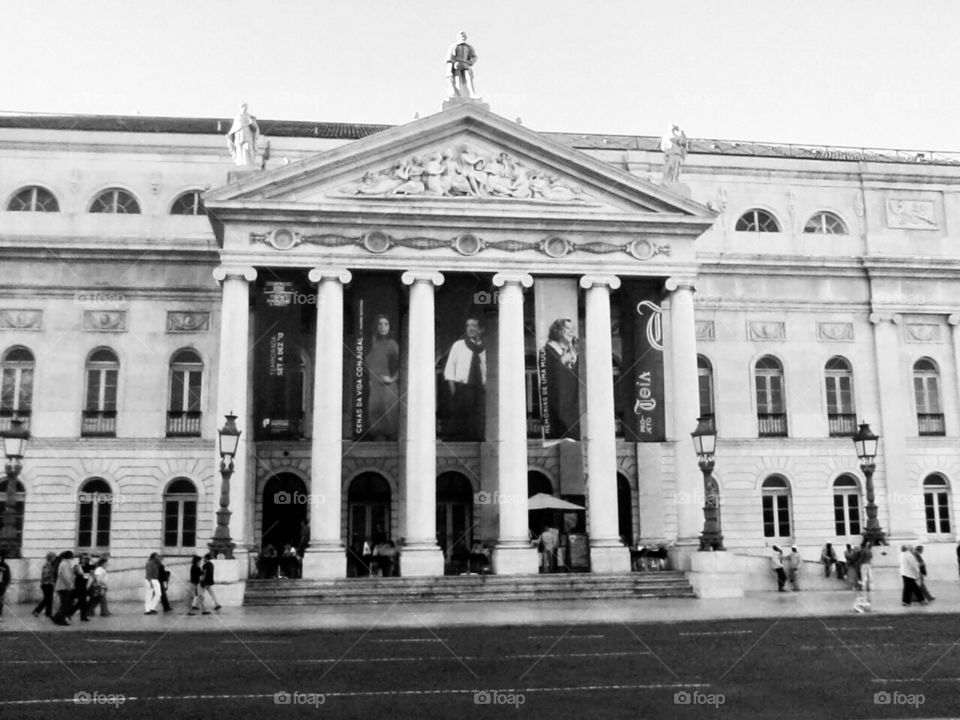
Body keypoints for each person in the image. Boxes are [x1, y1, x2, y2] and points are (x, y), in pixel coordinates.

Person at [442, 317, 486, 440]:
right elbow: (450, 370)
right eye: (468, 326)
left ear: (480, 329)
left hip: (480, 389)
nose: (471, 328)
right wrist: (454, 391)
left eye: (474, 325)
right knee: (461, 421)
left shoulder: (485, 348)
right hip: (462, 389)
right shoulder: (458, 346)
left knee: (478, 420)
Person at [540, 318, 580, 440]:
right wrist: (561, 362)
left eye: (573, 329)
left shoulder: (572, 352)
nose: (571, 332)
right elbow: (547, 378)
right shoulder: (547, 351)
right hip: (557, 415)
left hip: (574, 412)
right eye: (567, 328)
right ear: (557, 331)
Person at [364, 315, 400, 440]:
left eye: (386, 324)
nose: (383, 327)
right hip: (374, 388)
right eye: (380, 324)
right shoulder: (373, 344)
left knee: (388, 422)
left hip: (387, 389)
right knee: (375, 421)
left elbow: (402, 364)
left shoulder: (391, 344)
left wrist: (392, 379)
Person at [226, 102, 260, 167]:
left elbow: (255, 128)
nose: (244, 109)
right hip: (239, 135)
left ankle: (249, 163)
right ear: (240, 108)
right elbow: (234, 128)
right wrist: (230, 135)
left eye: (245, 107)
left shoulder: (250, 117)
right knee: (239, 149)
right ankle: (240, 163)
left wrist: (252, 123)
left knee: (249, 148)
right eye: (242, 107)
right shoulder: (237, 117)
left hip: (248, 135)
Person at [446, 31, 477, 99]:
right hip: (457, 66)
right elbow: (449, 59)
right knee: (458, 82)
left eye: (464, 36)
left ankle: (471, 94)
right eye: (461, 36)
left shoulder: (469, 47)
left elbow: (474, 57)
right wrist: (449, 72)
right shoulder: (454, 46)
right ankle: (458, 95)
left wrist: (469, 61)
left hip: (466, 66)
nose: (463, 37)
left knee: (469, 79)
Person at [52, 551, 76, 625]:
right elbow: (66, 576)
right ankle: (60, 620)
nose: (73, 557)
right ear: (69, 557)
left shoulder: (65, 563)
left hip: (63, 586)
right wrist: (69, 585)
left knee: (65, 604)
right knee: (65, 604)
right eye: (72, 556)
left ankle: (57, 618)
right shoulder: (65, 564)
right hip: (64, 587)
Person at [33, 551, 57, 618]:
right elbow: (45, 576)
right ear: (51, 558)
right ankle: (37, 611)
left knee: (49, 599)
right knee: (47, 599)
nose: (54, 558)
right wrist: (52, 577)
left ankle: (48, 613)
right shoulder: (47, 565)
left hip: (48, 584)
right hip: (47, 584)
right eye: (54, 557)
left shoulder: (50, 565)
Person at [73, 553, 92, 622]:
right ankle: (72, 613)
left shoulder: (87, 566)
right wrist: (85, 574)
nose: (85, 560)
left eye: (86, 558)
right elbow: (81, 576)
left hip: (84, 586)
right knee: (82, 602)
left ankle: (83, 617)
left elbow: (93, 566)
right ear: (81, 559)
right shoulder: (78, 566)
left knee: (82, 602)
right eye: (84, 558)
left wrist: (90, 559)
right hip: (79, 586)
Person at [0, 552, 9, 622]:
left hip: (1, 585)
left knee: (1, 601)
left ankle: (0, 615)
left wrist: (5, 584)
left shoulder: (5, 566)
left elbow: (8, 576)